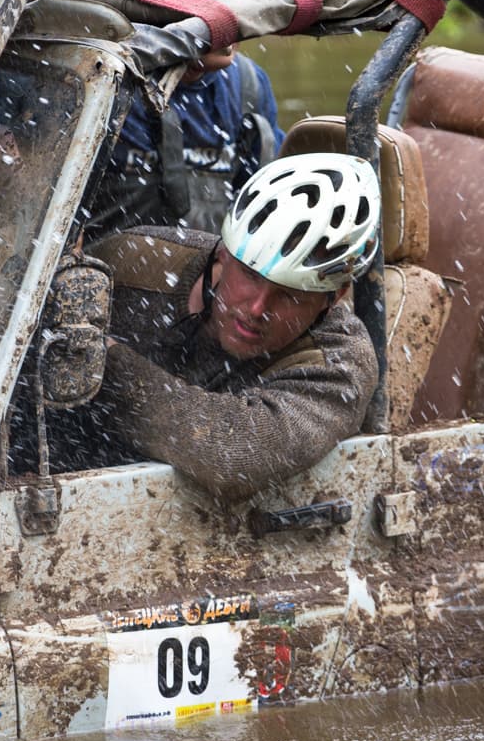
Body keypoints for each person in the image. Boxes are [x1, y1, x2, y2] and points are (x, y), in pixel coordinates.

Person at [36, 152, 380, 504]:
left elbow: (233, 455)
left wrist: (96, 361)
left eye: (290, 296)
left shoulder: (339, 366)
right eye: (250, 275)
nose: (257, 308)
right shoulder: (132, 265)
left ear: (333, 298)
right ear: (223, 253)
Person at [81, 44, 285, 242]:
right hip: (112, 268)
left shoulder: (249, 83)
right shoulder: (108, 80)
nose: (230, 23)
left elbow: (264, 207)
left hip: (215, 269)